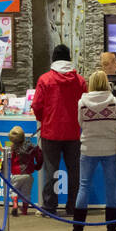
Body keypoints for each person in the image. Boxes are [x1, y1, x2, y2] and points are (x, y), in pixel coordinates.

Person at [32, 44, 88, 216]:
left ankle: (50, 207)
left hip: (51, 132)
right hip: (73, 132)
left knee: (51, 170)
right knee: (74, 171)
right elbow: (85, 106)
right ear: (69, 57)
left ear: (53, 58)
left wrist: (44, 119)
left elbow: (36, 105)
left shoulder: (45, 79)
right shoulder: (80, 80)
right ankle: (73, 207)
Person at [74, 70, 116, 231]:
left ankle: (77, 230)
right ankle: (111, 230)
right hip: (110, 148)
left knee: (84, 186)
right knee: (111, 188)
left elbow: (80, 123)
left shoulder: (82, 103)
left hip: (88, 147)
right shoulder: (114, 102)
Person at [5, 126, 43, 216]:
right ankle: (25, 210)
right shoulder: (31, 147)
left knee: (13, 190)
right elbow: (40, 156)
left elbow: (6, 161)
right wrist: (37, 166)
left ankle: (15, 204)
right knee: (26, 193)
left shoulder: (11, 149)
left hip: (15, 174)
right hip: (28, 175)